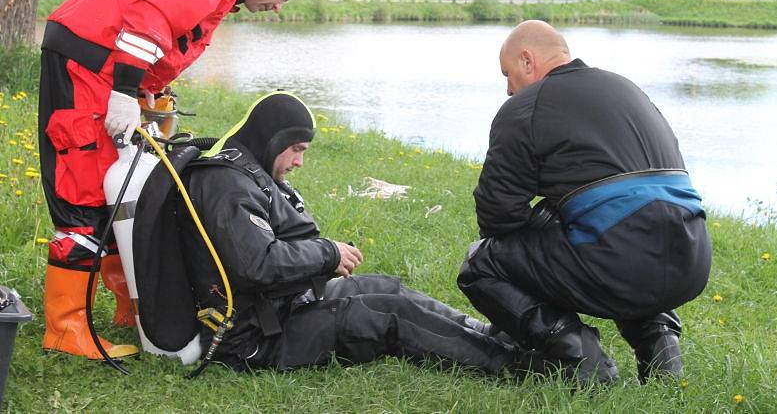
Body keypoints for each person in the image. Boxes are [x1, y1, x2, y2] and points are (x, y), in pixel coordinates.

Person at [38, 0, 308, 359]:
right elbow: (151, 17)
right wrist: (126, 89)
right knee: (85, 189)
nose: (278, 7)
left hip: (104, 69)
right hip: (89, 67)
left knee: (120, 188)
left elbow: (168, 37)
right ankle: (66, 327)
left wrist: (147, 93)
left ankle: (130, 306)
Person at [137, 91, 534, 375]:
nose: (299, 162)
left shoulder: (243, 172)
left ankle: (489, 336)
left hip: (283, 307)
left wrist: (321, 256)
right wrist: (327, 253)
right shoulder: (226, 186)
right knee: (390, 315)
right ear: (272, 139)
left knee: (387, 288)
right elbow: (257, 265)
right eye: (296, 149)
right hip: (253, 341)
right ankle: (514, 365)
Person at [457, 20, 712, 385]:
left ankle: (581, 357)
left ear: (528, 61)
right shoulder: (628, 89)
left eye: (508, 75)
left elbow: (497, 216)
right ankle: (663, 360)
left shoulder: (525, 107)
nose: (509, 90)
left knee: (481, 262)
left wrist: (543, 232)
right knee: (624, 223)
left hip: (620, 260)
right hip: (692, 257)